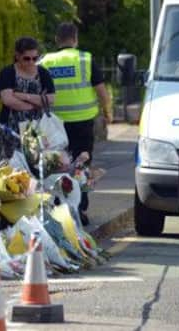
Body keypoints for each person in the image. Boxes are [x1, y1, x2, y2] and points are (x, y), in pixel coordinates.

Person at [39, 22, 112, 225]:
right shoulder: (85, 59)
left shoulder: (45, 61)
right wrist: (107, 112)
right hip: (82, 123)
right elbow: (101, 91)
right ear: (75, 38)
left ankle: (56, 209)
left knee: (55, 166)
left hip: (55, 126)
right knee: (81, 167)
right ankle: (79, 210)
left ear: (56, 40)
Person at [0, 37, 55, 163]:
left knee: (37, 167)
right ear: (17, 56)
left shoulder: (43, 73)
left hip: (37, 130)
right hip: (11, 131)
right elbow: (7, 99)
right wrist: (34, 105)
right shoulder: (7, 73)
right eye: (27, 58)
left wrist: (22, 96)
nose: (31, 62)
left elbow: (50, 99)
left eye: (35, 58)